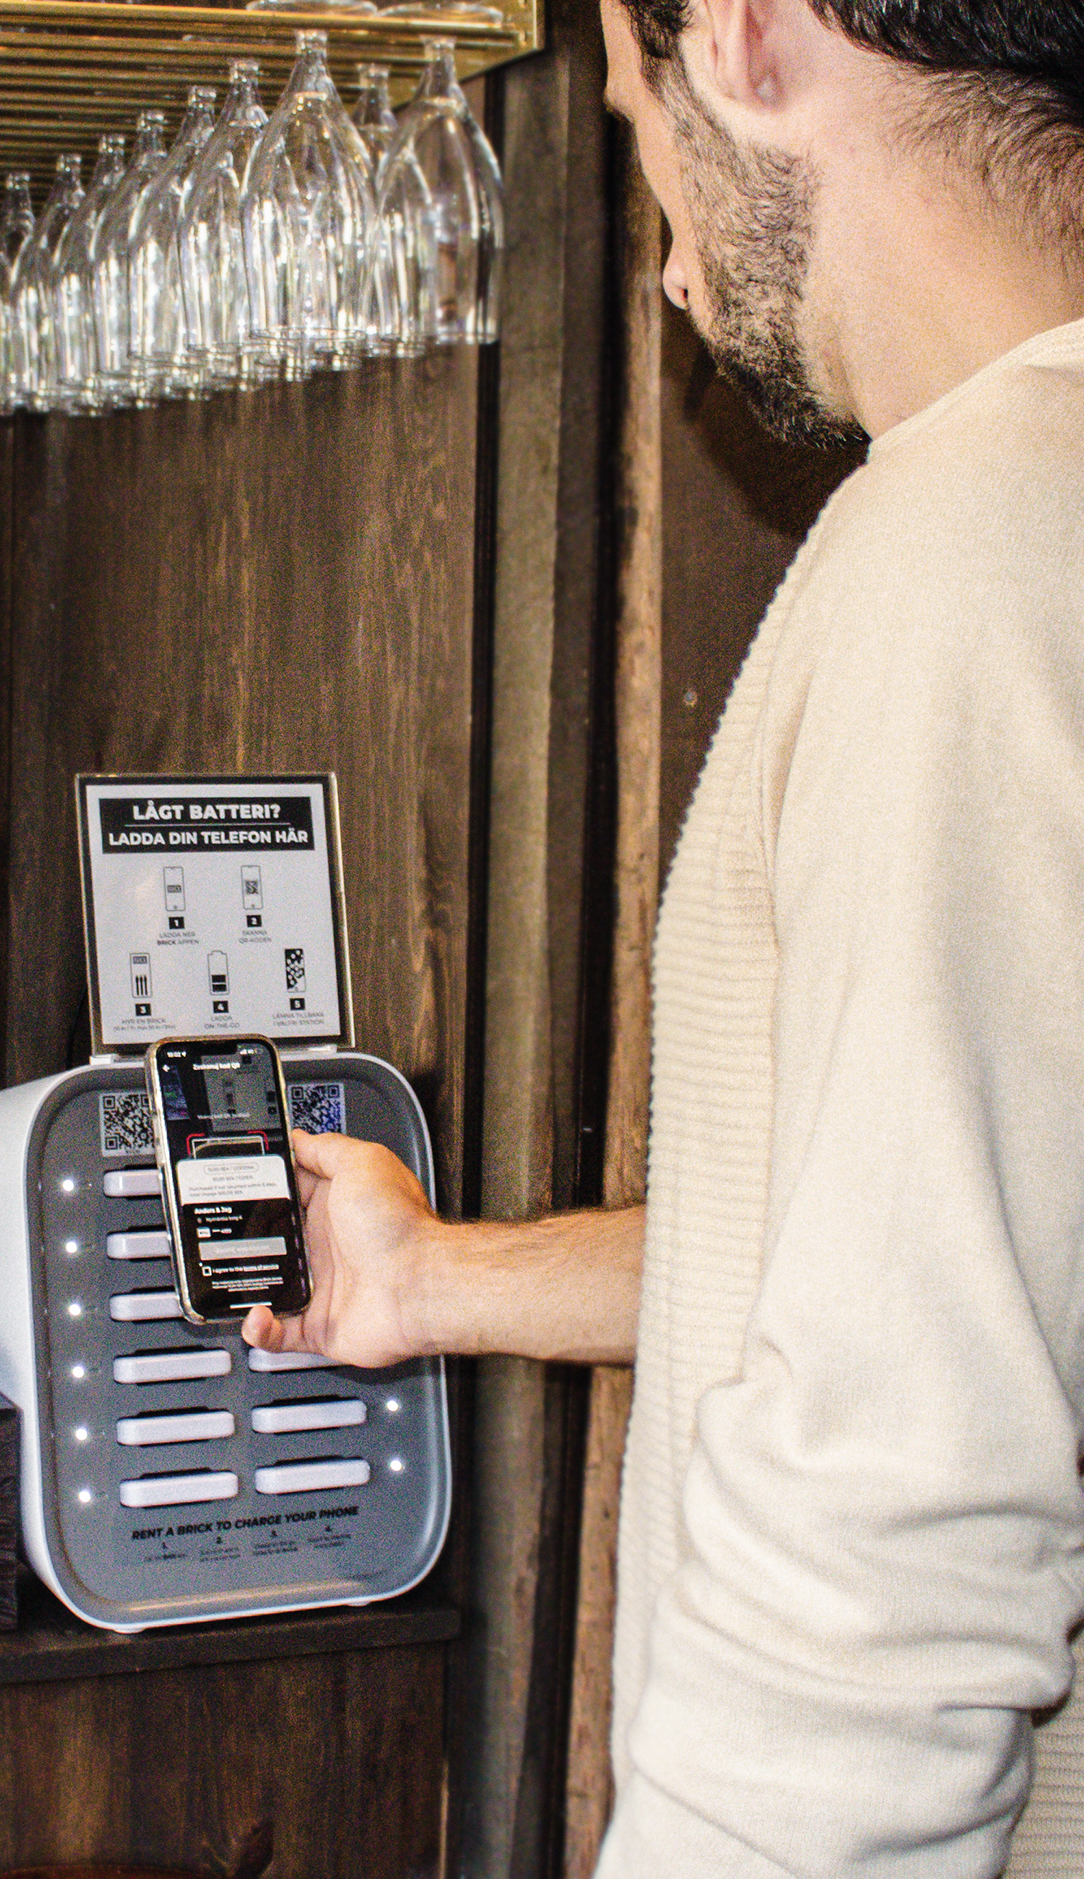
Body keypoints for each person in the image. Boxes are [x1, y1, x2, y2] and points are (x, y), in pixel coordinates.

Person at [245, 1, 1084, 1871]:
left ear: (748, 43)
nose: (674, 261)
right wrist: (435, 1278)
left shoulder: (962, 559)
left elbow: (898, 1510)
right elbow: (942, 1234)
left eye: (635, 122)